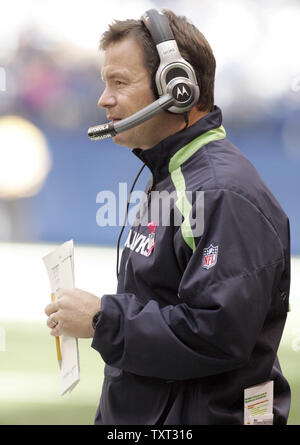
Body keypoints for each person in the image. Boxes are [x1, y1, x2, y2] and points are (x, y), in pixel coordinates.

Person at [45, 9, 291, 425]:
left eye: (119, 83)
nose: (104, 99)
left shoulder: (221, 192)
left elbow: (218, 334)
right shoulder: (174, 174)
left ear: (178, 88)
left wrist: (102, 320)